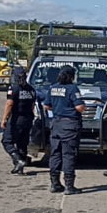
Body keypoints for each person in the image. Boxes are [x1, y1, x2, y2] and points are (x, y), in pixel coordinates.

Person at [43, 66, 85, 194]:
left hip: (56, 124)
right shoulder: (72, 88)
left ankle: (54, 183)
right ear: (72, 76)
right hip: (70, 125)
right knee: (68, 155)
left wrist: (58, 108)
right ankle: (69, 185)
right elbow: (80, 107)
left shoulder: (53, 87)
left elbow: (46, 105)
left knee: (55, 154)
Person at [0, 66, 36, 175]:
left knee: (7, 141)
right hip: (28, 119)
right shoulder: (31, 89)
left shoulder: (14, 88)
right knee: (22, 143)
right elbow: (32, 105)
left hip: (17, 119)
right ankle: (20, 168)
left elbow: (9, 104)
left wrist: (4, 119)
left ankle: (18, 160)